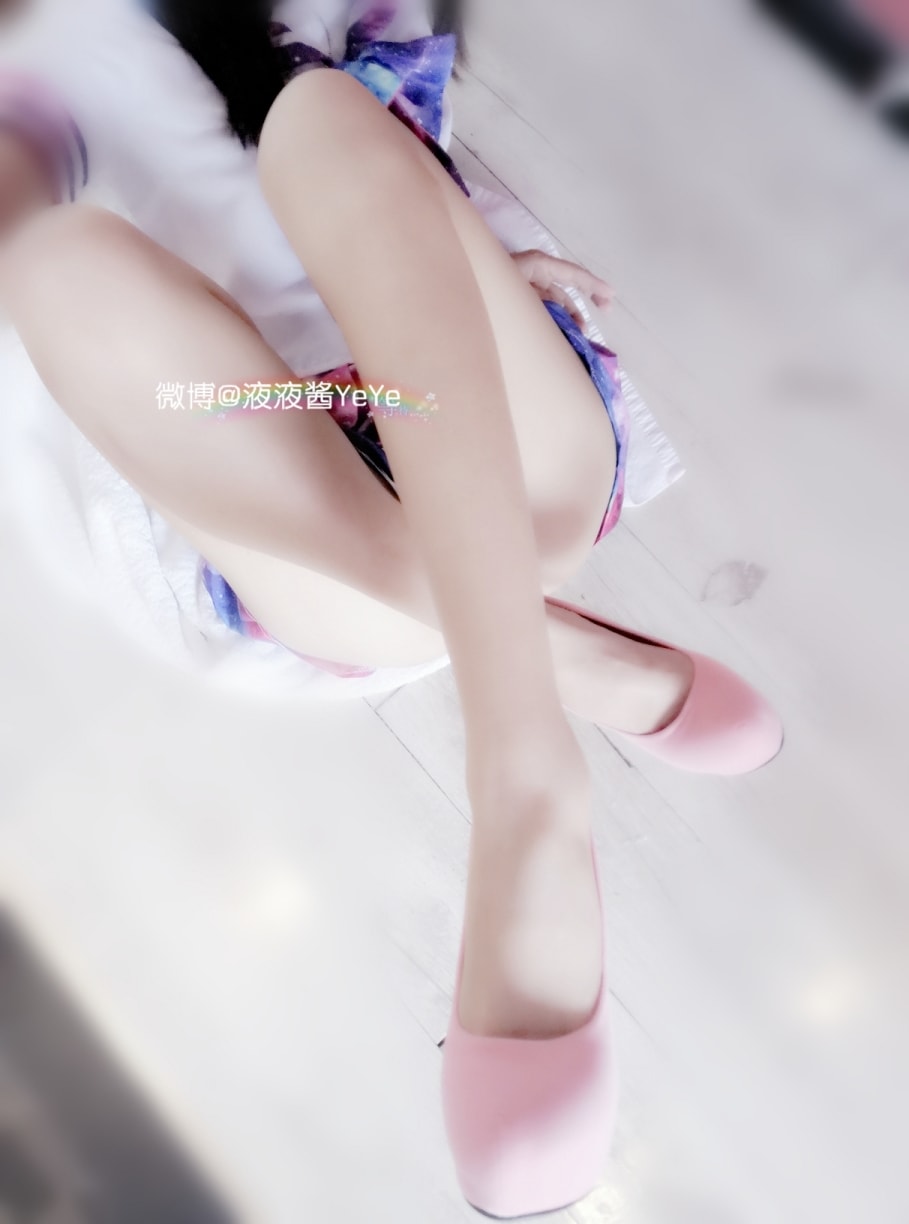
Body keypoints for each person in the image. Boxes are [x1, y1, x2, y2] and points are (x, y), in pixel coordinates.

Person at [0, 0, 783, 1213]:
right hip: (269, 430)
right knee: (48, 264)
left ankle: (537, 730)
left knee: (319, 118)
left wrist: (484, 268)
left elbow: (401, 171)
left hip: (452, 387)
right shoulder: (28, 74)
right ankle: (534, 721)